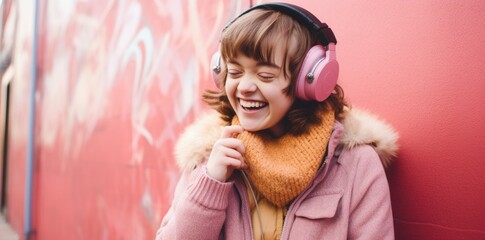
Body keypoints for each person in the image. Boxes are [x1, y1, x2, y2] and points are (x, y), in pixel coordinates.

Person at [156, 2, 398, 240]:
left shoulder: (356, 165)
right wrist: (211, 184)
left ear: (309, 81)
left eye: (265, 75)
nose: (245, 87)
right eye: (235, 72)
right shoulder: (210, 157)